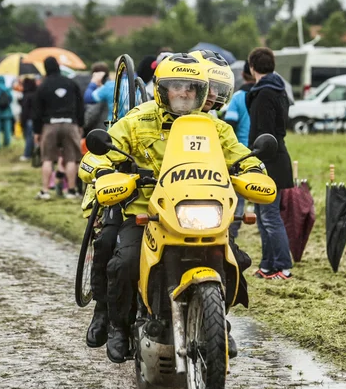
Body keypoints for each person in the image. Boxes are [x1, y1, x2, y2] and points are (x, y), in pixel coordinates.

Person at [79, 53, 265, 363]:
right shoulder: (137, 120)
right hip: (145, 211)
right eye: (176, 86)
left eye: (190, 87)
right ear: (162, 90)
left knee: (236, 259)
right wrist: (101, 170)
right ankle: (117, 326)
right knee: (124, 263)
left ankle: (218, 321)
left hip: (198, 209)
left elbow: (242, 156)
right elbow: (97, 156)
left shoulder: (213, 127)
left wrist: (253, 169)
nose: (183, 93)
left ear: (200, 92)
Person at [246, 47, 294, 280]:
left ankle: (283, 266)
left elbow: (265, 133)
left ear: (252, 67)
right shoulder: (277, 89)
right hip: (272, 157)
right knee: (261, 212)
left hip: (268, 159)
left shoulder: (264, 93)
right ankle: (267, 265)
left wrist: (255, 159)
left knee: (270, 215)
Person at [33, 56, 85, 200]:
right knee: (71, 158)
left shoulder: (43, 86)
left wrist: (37, 131)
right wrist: (80, 124)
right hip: (70, 123)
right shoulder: (71, 84)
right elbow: (80, 106)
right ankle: (71, 190)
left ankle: (45, 191)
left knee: (47, 158)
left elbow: (37, 111)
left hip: (50, 124)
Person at [224, 61, 254, 238]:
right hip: (260, 152)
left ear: (242, 75)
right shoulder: (263, 95)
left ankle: (232, 231)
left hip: (240, 153)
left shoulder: (238, 97)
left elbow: (230, 125)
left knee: (237, 195)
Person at [19, 77, 38, 162]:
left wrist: (22, 122)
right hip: (36, 119)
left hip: (29, 119)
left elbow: (25, 111)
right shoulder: (37, 94)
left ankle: (27, 154)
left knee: (29, 138)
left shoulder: (27, 95)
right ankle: (36, 153)